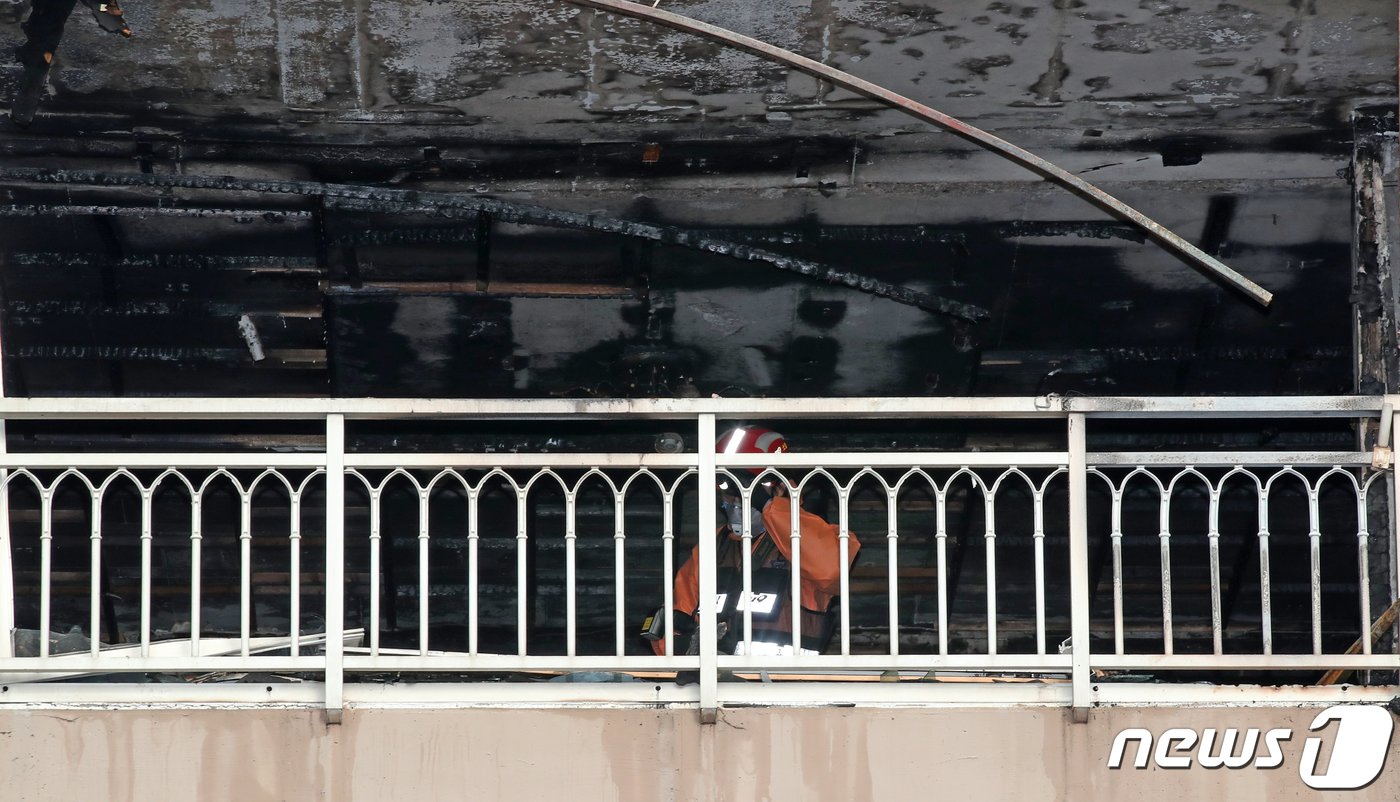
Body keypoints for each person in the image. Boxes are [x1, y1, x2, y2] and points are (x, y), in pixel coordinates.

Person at [645, 425, 859, 656]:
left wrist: (769, 509)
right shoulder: (712, 545)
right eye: (726, 487)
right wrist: (681, 645)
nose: (736, 499)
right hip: (717, 685)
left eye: (747, 487)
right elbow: (675, 617)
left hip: (787, 684)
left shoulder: (812, 535)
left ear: (779, 488)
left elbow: (831, 571)